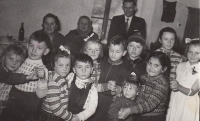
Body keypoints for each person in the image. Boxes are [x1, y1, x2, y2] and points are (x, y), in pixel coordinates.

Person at [1, 30, 51, 121]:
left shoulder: (43, 70)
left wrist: (43, 80)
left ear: (46, 51)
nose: (34, 50)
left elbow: (40, 95)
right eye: (31, 45)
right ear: (27, 46)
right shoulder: (22, 61)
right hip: (13, 101)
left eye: (39, 48)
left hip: (28, 105)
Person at [117, 52, 170, 121]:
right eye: (149, 63)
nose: (151, 67)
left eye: (156, 65)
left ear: (164, 69)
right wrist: (121, 91)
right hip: (138, 113)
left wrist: (130, 110)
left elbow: (150, 104)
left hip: (152, 117)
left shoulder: (162, 84)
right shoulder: (143, 77)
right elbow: (133, 88)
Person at [91, 35, 131, 121]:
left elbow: (125, 86)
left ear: (124, 53)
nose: (113, 54)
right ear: (108, 48)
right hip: (96, 96)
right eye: (111, 50)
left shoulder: (125, 69)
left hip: (111, 101)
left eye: (117, 52)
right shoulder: (102, 61)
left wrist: (117, 89)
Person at [0, 45, 41, 116]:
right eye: (11, 59)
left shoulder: (17, 72)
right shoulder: (2, 71)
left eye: (18, 60)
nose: (14, 63)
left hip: (7, 105)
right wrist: (27, 78)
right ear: (4, 58)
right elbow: (11, 78)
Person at [166, 39, 200, 121]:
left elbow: (192, 91)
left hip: (189, 103)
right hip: (176, 99)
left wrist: (178, 87)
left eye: (197, 53)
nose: (193, 55)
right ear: (186, 51)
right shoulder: (180, 65)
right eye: (190, 52)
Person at [37, 45, 74, 121]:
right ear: (53, 66)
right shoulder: (54, 83)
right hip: (51, 117)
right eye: (61, 65)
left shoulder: (62, 79)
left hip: (58, 115)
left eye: (67, 65)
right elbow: (55, 108)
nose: (65, 68)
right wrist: (70, 117)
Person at [68, 53, 98, 121]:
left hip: (82, 117)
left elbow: (92, 108)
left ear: (91, 69)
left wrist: (80, 117)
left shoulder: (93, 88)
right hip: (65, 114)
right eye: (79, 67)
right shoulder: (69, 78)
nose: (83, 70)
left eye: (87, 67)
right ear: (74, 70)